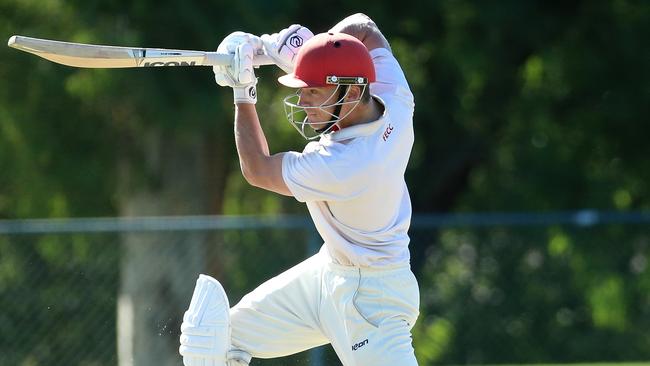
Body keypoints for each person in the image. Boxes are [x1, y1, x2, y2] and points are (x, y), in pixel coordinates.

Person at [178, 13, 420, 366]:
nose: (304, 102)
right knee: (213, 341)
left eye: (314, 92)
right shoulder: (393, 96)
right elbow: (365, 28)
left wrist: (242, 89)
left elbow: (258, 169)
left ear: (352, 92)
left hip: (372, 301)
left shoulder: (344, 164)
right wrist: (307, 49)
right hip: (328, 273)